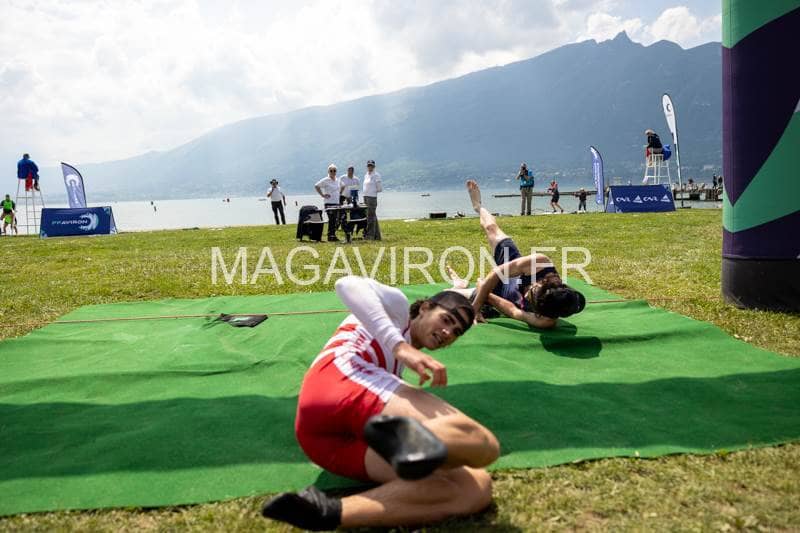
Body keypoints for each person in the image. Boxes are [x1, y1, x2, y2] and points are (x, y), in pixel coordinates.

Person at [261, 276, 497, 530]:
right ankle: (419, 439)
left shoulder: (393, 371)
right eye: (447, 320)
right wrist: (399, 346)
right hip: (337, 380)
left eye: (457, 332)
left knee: (475, 487)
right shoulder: (396, 311)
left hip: (322, 443)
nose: (448, 333)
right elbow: (346, 284)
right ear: (425, 307)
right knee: (482, 442)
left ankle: (328, 512)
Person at [461, 180, 585, 329]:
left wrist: (484, 293)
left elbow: (513, 311)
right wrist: (475, 308)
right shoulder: (541, 264)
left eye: (531, 302)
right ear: (544, 283)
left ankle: (460, 286)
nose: (525, 296)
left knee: (452, 295)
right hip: (514, 269)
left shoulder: (545, 320)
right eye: (532, 292)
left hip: (504, 294)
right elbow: (496, 273)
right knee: (491, 228)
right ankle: (478, 206)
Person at [315, 164, 345, 242]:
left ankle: (332, 235)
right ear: (328, 171)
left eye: (334, 170)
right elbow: (316, 186)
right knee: (331, 219)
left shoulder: (338, 180)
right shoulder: (326, 180)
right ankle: (331, 236)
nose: (333, 172)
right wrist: (322, 195)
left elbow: (343, 186)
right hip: (329, 203)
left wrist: (340, 193)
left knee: (335, 220)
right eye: (331, 171)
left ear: (336, 171)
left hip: (336, 202)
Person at [362, 160, 382, 240]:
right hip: (365, 197)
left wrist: (372, 191)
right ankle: (377, 236)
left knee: (370, 217)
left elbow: (379, 188)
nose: (370, 167)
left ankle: (370, 236)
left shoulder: (376, 175)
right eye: (368, 165)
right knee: (372, 216)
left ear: (374, 166)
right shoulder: (366, 175)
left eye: (371, 165)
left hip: (372, 198)